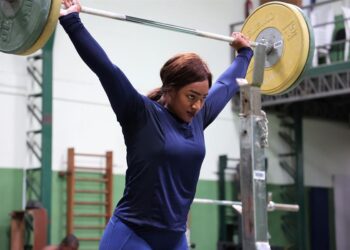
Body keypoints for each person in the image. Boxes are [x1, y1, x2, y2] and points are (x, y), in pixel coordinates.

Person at [59, 1, 253, 249]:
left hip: (174, 238)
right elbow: (107, 70)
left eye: (203, 99)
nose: (197, 106)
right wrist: (71, 21)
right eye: (191, 97)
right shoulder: (140, 114)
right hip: (131, 235)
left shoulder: (199, 117)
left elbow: (226, 85)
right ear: (169, 90)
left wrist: (245, 53)